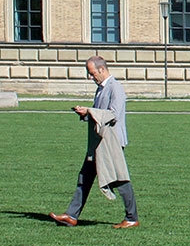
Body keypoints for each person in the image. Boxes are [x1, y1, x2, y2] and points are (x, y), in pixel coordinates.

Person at [50, 55, 138, 228]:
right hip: (98, 142)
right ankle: (71, 215)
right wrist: (86, 114)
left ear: (102, 69)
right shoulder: (101, 88)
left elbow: (113, 114)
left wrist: (90, 111)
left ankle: (132, 218)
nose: (90, 77)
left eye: (92, 73)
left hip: (111, 142)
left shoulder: (115, 88)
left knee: (119, 179)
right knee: (85, 177)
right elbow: (99, 114)